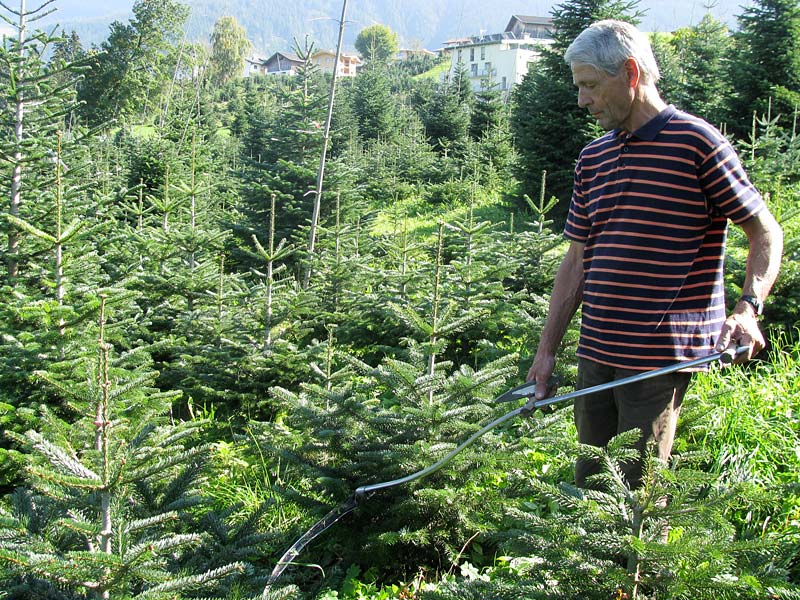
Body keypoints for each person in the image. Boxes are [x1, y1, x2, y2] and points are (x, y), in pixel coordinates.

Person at [526, 20, 784, 489]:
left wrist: (749, 309)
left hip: (658, 359)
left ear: (628, 73)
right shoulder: (594, 158)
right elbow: (575, 262)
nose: (582, 100)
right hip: (597, 349)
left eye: (589, 86)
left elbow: (765, 232)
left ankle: (639, 569)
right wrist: (546, 352)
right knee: (588, 483)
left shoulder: (697, 144)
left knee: (637, 494)